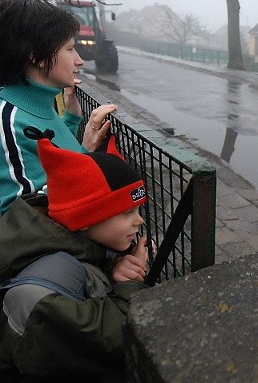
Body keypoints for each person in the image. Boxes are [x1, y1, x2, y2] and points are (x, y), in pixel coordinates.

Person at [0, 128, 150, 382]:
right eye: (127, 214)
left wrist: (111, 270)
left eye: (137, 211)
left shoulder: (73, 244)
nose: (139, 222)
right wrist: (128, 287)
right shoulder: (39, 294)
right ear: (84, 220)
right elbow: (112, 341)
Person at [0, 0, 117, 216]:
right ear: (38, 57)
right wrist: (88, 156)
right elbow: (22, 219)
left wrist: (72, 121)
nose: (79, 60)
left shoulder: (39, 105)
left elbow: (53, 163)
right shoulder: (9, 124)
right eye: (70, 49)